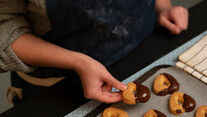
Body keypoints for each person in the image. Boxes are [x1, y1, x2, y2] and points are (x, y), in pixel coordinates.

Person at [0, 0, 188, 104]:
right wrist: (78, 62)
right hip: (62, 84)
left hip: (146, 49)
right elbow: (5, 29)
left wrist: (163, 7)